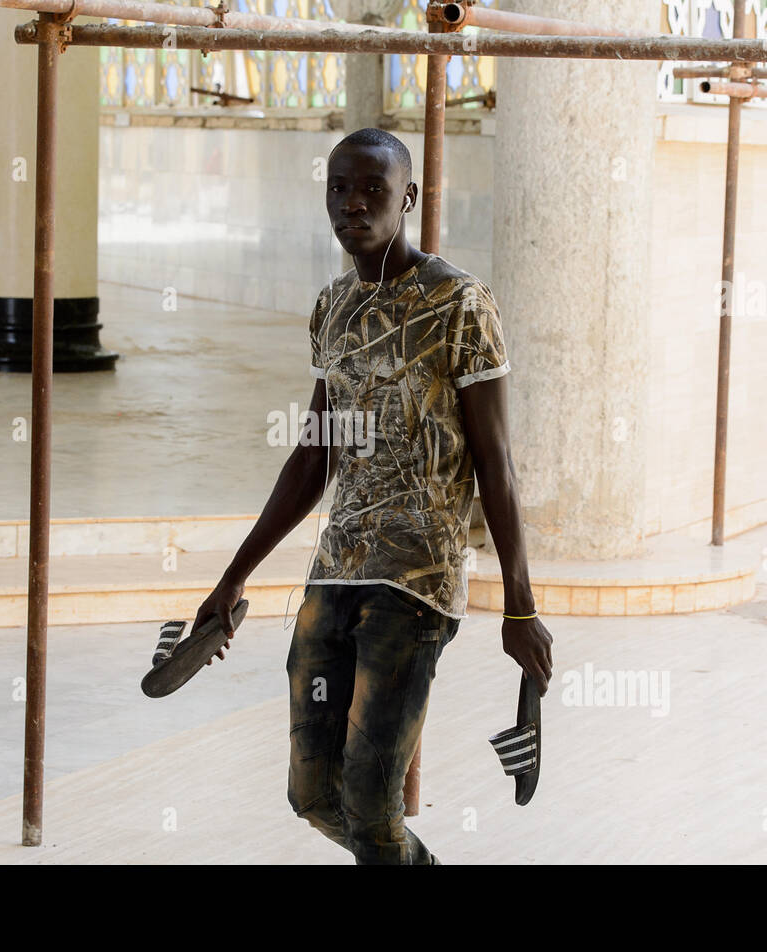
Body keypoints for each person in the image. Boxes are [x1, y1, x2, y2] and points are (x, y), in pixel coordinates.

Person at [193, 127, 554, 864]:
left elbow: (497, 463)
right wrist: (233, 576)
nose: (353, 205)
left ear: (408, 198)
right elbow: (313, 456)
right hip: (336, 572)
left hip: (415, 583)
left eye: (373, 190)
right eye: (339, 189)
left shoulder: (458, 303)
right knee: (313, 794)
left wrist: (521, 603)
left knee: (368, 800)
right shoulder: (333, 307)